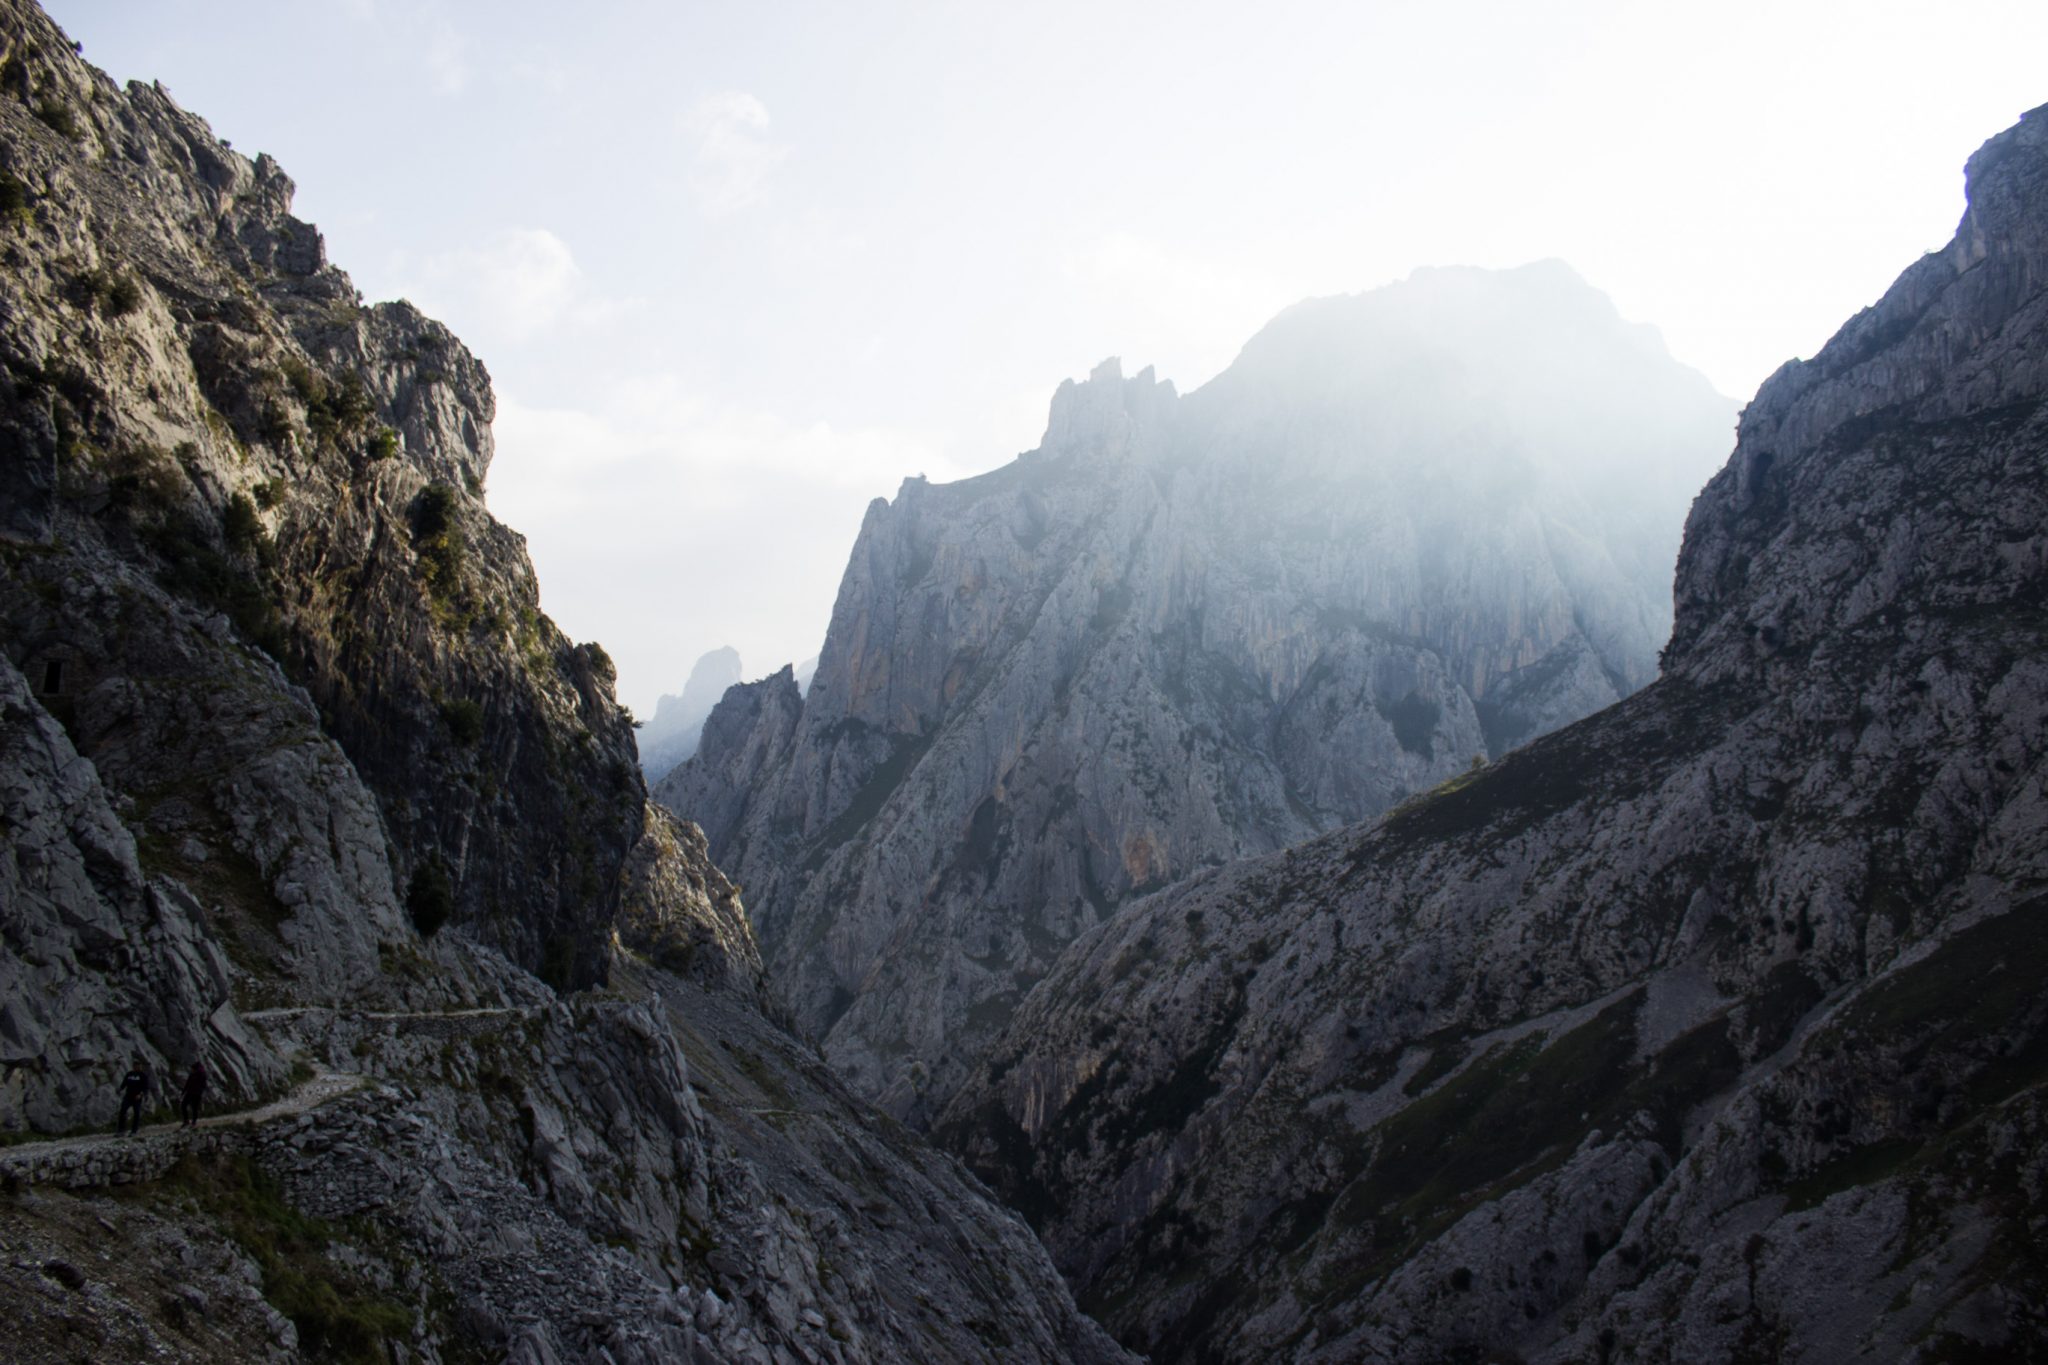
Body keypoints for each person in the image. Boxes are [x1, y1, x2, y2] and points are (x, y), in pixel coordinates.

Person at [115, 1055, 151, 1136]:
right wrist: (120, 1089)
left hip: (137, 1097)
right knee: (123, 1110)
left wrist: (141, 1094)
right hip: (128, 1096)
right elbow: (124, 1084)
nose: (137, 1067)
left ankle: (134, 1131)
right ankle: (121, 1130)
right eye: (135, 1065)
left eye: (138, 1065)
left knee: (137, 1113)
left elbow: (145, 1087)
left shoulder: (143, 1076)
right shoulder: (129, 1074)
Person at [179, 1060, 208, 1128]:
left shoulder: (201, 1075)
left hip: (196, 1094)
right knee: (185, 1106)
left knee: (193, 1107)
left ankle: (192, 1122)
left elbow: (203, 1085)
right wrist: (183, 1092)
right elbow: (188, 1083)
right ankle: (188, 1121)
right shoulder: (193, 1074)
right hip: (191, 1092)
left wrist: (199, 1092)